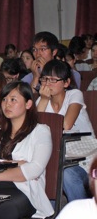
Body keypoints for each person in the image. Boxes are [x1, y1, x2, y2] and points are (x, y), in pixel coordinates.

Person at [0, 81, 54, 218]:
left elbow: (34, 169)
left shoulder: (40, 131)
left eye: (13, 100)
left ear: (28, 104)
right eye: (4, 99)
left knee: (1, 209)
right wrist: (17, 164)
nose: (7, 104)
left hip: (23, 190)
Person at [36, 59, 97, 202]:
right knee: (46, 173)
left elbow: (66, 124)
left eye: (53, 80)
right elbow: (34, 130)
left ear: (66, 83)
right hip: (59, 157)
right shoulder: (41, 101)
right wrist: (44, 100)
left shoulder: (74, 94)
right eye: (44, 79)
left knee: (66, 175)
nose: (47, 84)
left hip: (87, 158)